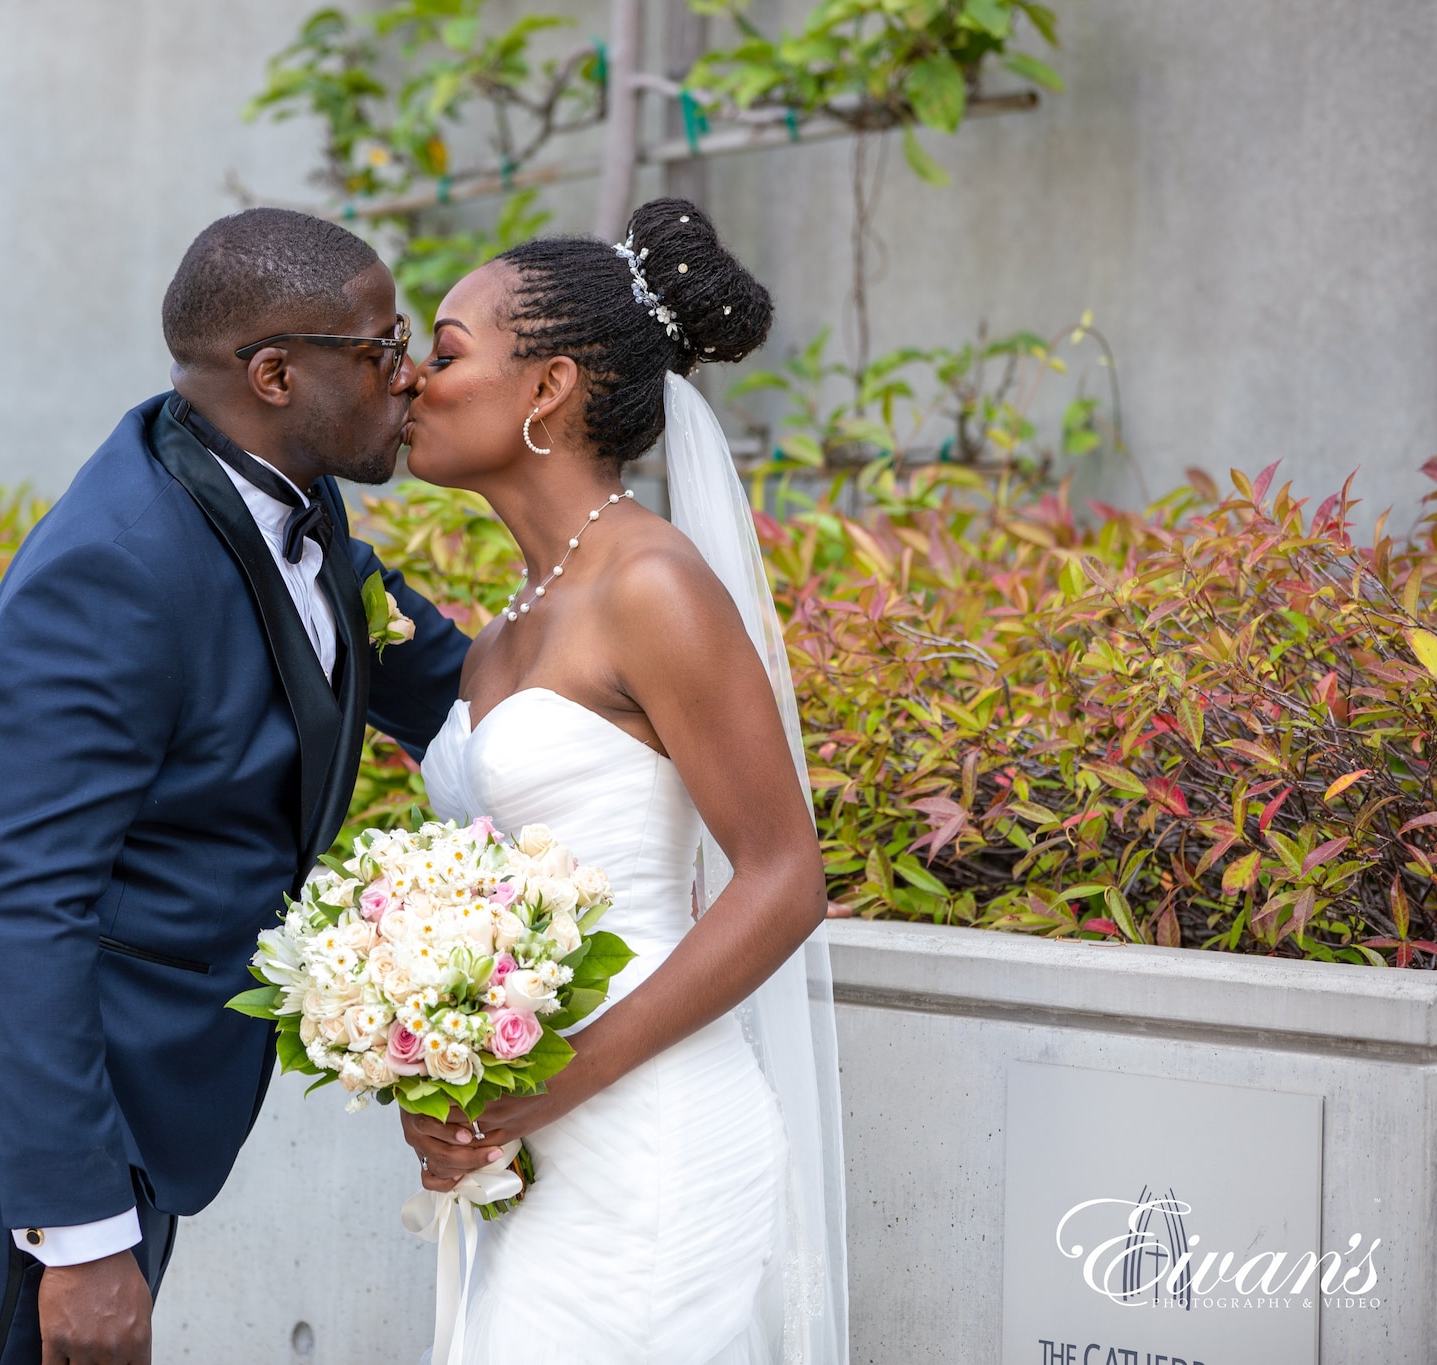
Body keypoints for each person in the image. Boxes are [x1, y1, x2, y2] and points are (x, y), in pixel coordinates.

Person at [0, 208, 471, 1365]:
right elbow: (26, 900)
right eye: (382, 348)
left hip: (124, 1089)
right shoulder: (114, 567)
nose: (411, 379)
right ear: (274, 373)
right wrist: (78, 1241)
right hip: (3, 1122)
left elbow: (460, 688)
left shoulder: (292, 499)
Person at [396, 198, 851, 1364]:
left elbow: (782, 877)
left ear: (544, 389)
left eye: (443, 351)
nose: (408, 379)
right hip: (531, 1148)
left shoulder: (650, 584)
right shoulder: (505, 630)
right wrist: (441, 1064)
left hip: (650, 1136)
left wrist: (554, 1083)